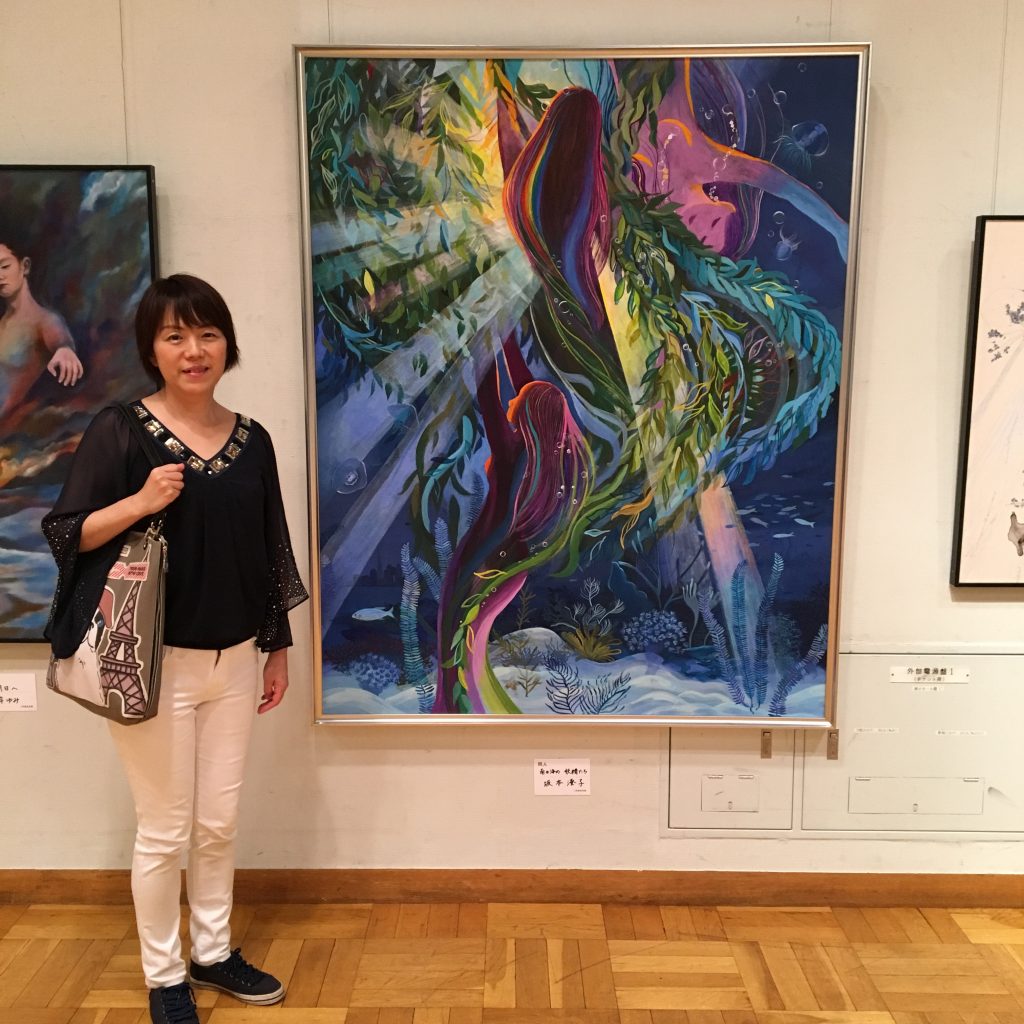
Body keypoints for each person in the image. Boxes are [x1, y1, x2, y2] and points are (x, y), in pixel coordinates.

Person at [42, 274, 308, 1024]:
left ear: (227, 345)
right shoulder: (121, 430)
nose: (194, 350)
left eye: (207, 334)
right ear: (152, 350)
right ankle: (164, 976)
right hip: (151, 665)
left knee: (218, 823)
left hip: (236, 661)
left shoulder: (253, 440)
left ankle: (213, 952)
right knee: (164, 829)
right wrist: (140, 502)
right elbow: (66, 534)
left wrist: (276, 647)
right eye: (175, 336)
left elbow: (270, 551)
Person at [0, 236, 85, 429]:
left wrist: (65, 350)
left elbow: (60, 340)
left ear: (25, 266)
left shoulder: (43, 320)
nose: (0, 275)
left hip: (14, 430)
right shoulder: (2, 324)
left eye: (4, 266)